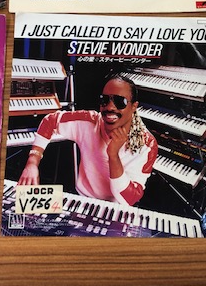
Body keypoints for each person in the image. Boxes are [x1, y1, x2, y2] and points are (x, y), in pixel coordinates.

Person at [18, 74, 158, 206]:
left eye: (120, 101)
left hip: (117, 209)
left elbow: (129, 199)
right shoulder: (89, 121)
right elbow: (50, 121)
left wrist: (113, 156)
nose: (110, 107)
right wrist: (32, 163)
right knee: (24, 208)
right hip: (82, 201)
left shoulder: (147, 145)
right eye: (105, 100)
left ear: (134, 106)